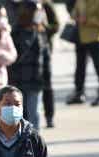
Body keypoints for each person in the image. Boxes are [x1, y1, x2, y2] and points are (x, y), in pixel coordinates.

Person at [9, 0, 51, 130]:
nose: (41, 14)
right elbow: (14, 57)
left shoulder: (41, 32)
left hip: (35, 80)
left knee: (34, 114)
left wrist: (47, 79)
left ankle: (34, 143)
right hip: (19, 80)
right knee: (20, 115)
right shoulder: (16, 33)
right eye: (38, 11)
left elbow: (46, 58)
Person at [66, 0, 99, 106]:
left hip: (96, 37)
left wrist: (87, 20)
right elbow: (74, 13)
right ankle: (79, 93)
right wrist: (75, 16)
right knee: (80, 66)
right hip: (81, 37)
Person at [41, 0, 59, 128]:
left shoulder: (46, 5)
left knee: (46, 85)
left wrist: (44, 28)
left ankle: (49, 116)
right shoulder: (20, 5)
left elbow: (56, 25)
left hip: (44, 48)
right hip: (23, 49)